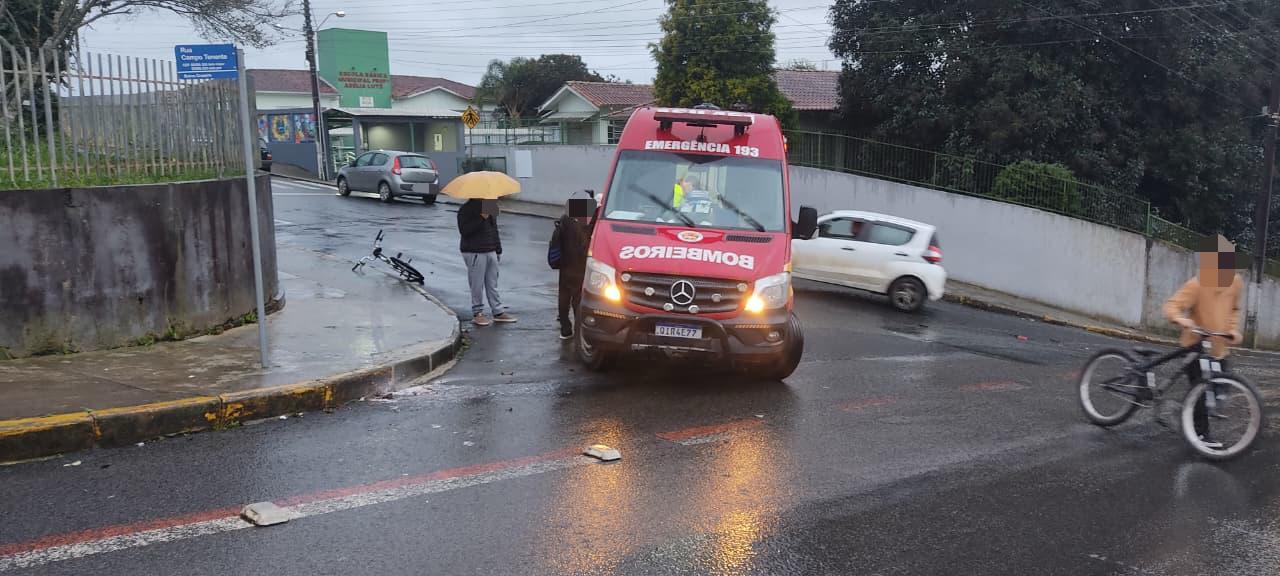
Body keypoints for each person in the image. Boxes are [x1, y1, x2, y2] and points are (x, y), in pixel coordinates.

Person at [1162, 234, 1244, 447]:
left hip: (1219, 347)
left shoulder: (1235, 283)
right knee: (1201, 391)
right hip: (1195, 346)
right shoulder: (1197, 284)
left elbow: (1234, 309)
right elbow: (1172, 305)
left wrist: (1233, 330)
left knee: (1220, 390)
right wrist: (1181, 319)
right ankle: (1200, 434)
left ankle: (1194, 411)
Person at [458, 199, 517, 326]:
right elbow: (464, 231)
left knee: (492, 283)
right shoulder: (466, 209)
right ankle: (477, 313)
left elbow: (494, 230)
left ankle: (498, 312)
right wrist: (481, 218)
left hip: (490, 250)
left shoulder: (489, 206)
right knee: (477, 284)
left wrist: (498, 249)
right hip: (474, 251)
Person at [556, 195, 596, 340]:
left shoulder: (564, 220)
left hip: (565, 266)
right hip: (580, 267)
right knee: (578, 300)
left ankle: (565, 330)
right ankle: (579, 330)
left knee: (563, 297)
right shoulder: (586, 225)